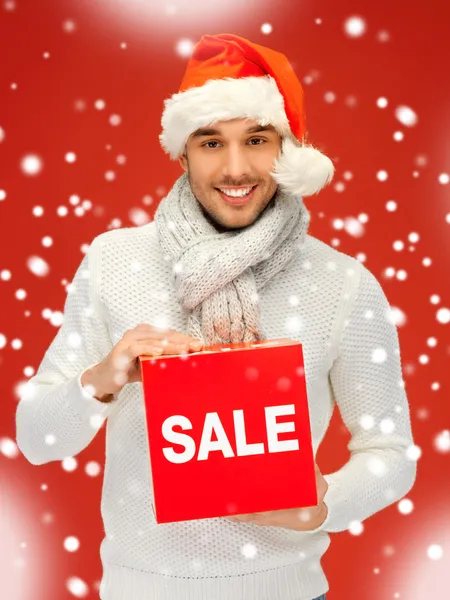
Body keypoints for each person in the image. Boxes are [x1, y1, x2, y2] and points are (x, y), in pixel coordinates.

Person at [15, 33, 416, 600]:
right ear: (182, 153)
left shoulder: (343, 284)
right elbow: (37, 439)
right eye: (210, 143)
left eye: (256, 139)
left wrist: (324, 502)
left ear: (288, 147)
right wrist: (104, 378)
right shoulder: (115, 260)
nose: (235, 168)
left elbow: (392, 453)